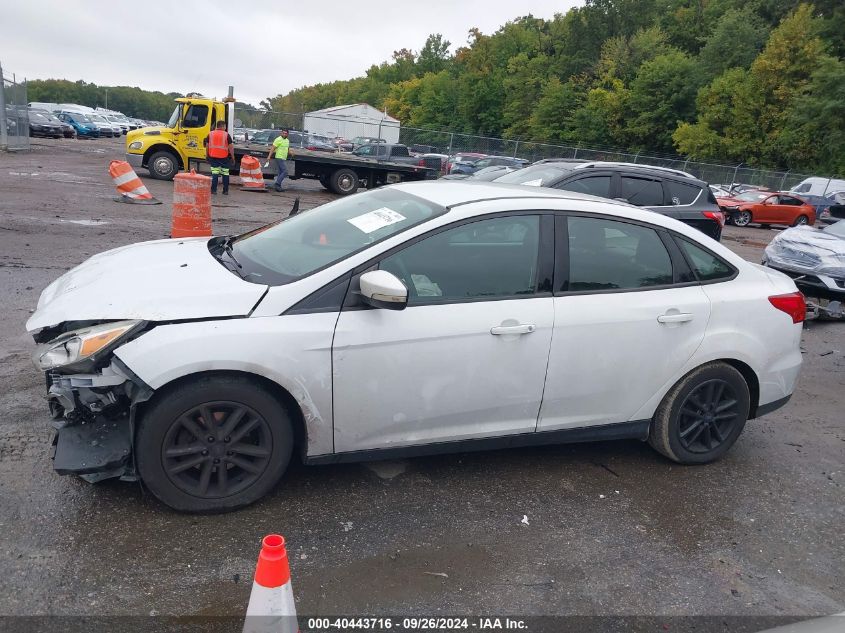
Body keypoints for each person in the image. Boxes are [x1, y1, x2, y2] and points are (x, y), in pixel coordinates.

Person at [203, 121, 234, 195]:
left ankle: (213, 190)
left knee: (215, 173)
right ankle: (225, 191)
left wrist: (207, 155)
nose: (225, 128)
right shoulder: (227, 135)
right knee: (225, 173)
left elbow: (207, 146)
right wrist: (233, 157)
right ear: (223, 126)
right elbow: (231, 147)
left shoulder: (210, 134)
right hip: (224, 158)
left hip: (213, 157)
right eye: (225, 126)